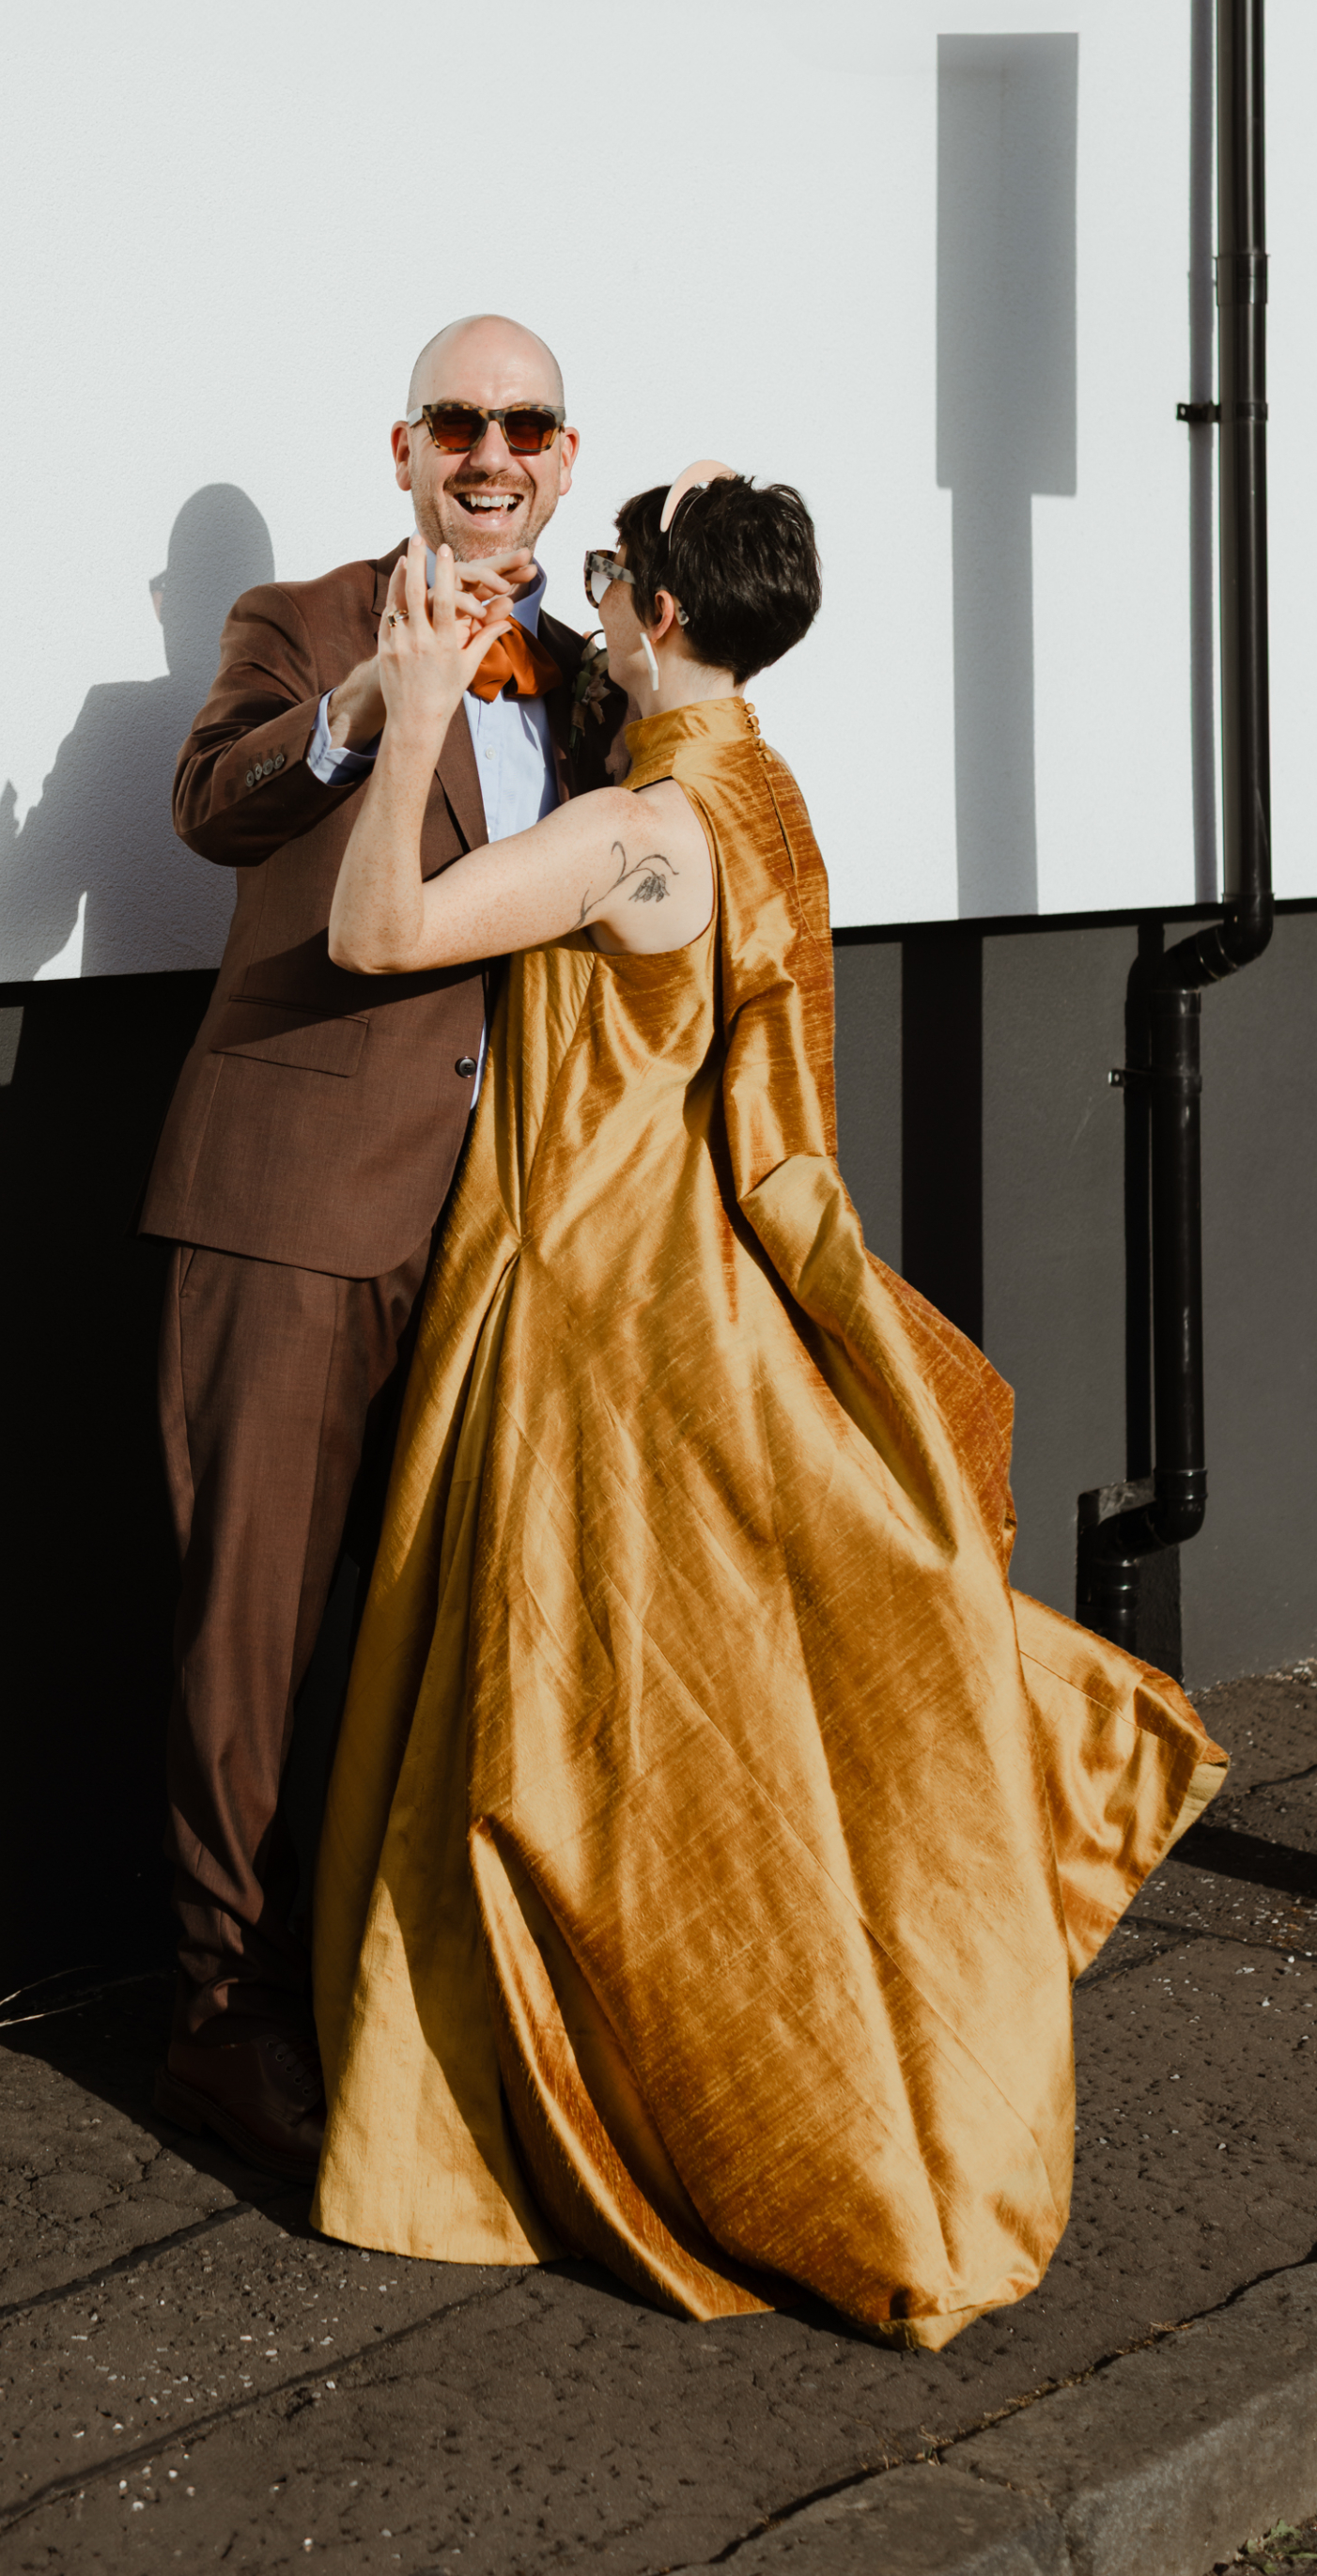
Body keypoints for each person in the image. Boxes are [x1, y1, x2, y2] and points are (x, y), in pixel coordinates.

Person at [311, 473, 1223, 2348]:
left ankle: (624, 2101)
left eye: (600, 580)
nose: (586, 605)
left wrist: (412, 716)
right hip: (705, 1282)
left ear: (651, 609)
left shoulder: (639, 829)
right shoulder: (761, 786)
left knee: (568, 1736)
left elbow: (381, 933)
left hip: (591, 1301)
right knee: (717, 1732)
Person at [137, 314, 625, 2178]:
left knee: (460, 1611)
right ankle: (216, 2009)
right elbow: (208, 800)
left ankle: (405, 1980)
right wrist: (364, 707)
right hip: (289, 1200)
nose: (490, 451)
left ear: (565, 457)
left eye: (526, 423)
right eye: (457, 421)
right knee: (252, 1611)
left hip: (510, 1218)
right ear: (403, 445)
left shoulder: (589, 678)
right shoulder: (301, 618)